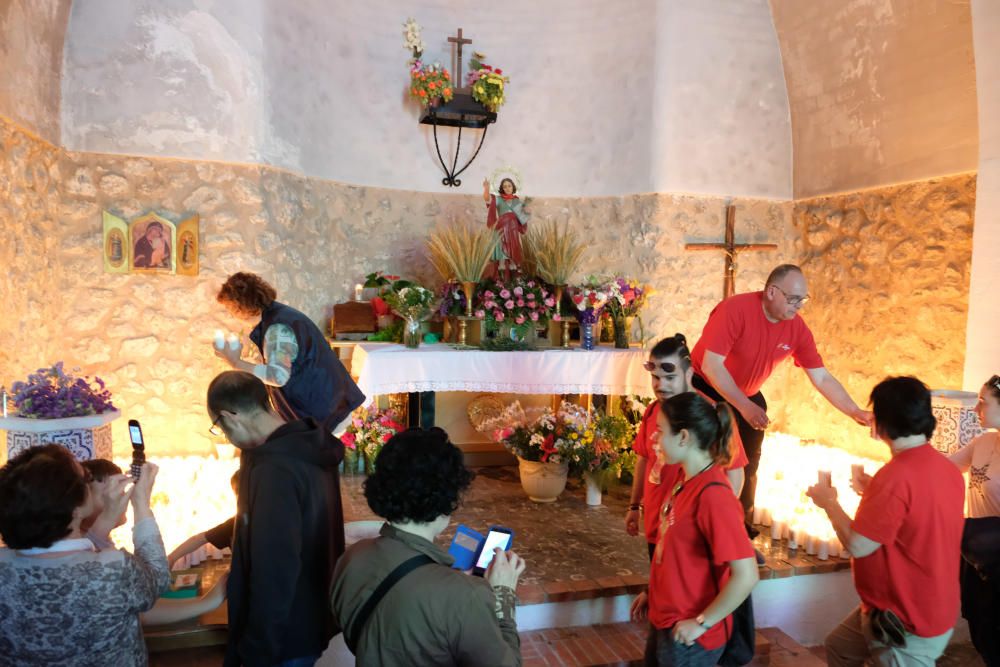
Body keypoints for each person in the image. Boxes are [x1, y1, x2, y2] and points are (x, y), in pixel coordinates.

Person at [331, 427, 526, 665]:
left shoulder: (352, 558)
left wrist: (447, 583)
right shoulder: (465, 596)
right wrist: (502, 595)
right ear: (450, 498)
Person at [690, 263, 872, 517]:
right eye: (793, 298)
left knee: (748, 465)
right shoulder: (735, 309)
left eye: (803, 299)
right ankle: (700, 521)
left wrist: (854, 411)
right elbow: (711, 366)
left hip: (748, 394)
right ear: (772, 292)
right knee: (710, 462)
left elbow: (820, 377)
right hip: (706, 387)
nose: (798, 305)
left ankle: (739, 526)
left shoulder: (797, 328)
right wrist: (744, 406)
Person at [806, 376, 964, 666]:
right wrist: (873, 492)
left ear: (882, 424)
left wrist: (828, 502)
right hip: (931, 603)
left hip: (905, 618)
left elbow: (859, 545)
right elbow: (917, 515)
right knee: (840, 647)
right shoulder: (946, 467)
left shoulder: (895, 477)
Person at [207, 370, 344, 667]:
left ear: (230, 416)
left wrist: (257, 649)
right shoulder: (308, 441)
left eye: (219, 427)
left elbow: (276, 566)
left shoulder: (274, 470)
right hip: (312, 611)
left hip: (282, 635)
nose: (227, 437)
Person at [0, 445, 169, 666]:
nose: (89, 484)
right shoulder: (113, 569)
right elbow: (157, 579)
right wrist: (140, 503)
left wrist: (107, 519)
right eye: (86, 478)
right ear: (75, 509)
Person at [642, 393, 758, 667]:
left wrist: (701, 623)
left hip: (691, 636)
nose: (654, 439)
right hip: (666, 619)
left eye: (660, 432)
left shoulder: (714, 496)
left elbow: (747, 574)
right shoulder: (686, 478)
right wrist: (652, 592)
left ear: (683, 437)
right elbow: (676, 550)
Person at [215, 271, 365, 433]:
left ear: (239, 307)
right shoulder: (278, 316)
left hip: (324, 409)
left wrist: (236, 363)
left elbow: (278, 376)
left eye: (229, 309)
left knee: (316, 458)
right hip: (328, 404)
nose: (229, 314)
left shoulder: (276, 328)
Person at [948, 374, 1000, 665]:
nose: (975, 409)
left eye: (983, 401)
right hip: (975, 557)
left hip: (997, 559)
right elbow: (942, 470)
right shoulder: (984, 441)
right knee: (980, 628)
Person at [166, 469, 239, 568]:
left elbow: (199, 539)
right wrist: (171, 558)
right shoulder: (233, 524)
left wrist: (171, 558)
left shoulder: (235, 523)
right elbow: (200, 538)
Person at [483, 177, 527, 278]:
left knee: (513, 257)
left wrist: (526, 212)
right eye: (505, 186)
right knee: (502, 256)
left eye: (509, 186)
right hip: (501, 229)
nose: (507, 188)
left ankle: (513, 283)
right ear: (502, 188)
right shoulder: (498, 199)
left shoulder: (517, 201)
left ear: (513, 187)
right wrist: (486, 188)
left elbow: (522, 218)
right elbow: (487, 199)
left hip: (513, 230)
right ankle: (501, 283)